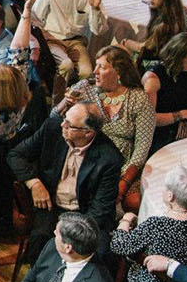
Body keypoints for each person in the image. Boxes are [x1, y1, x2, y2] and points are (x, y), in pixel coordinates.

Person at [8, 106, 123, 266]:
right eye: (64, 119)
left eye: (69, 125)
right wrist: (33, 182)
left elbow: (100, 209)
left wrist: (72, 232)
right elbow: (16, 155)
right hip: (52, 206)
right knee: (39, 240)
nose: (62, 125)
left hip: (85, 214)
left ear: (88, 132)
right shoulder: (52, 128)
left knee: (100, 254)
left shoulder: (110, 158)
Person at [59, 45, 154, 209]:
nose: (94, 71)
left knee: (134, 202)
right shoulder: (85, 88)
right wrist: (64, 104)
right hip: (88, 159)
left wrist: (123, 185)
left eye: (101, 67)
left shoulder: (139, 99)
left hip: (123, 165)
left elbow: (141, 149)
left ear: (118, 72)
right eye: (95, 65)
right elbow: (54, 118)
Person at [27, 0, 104, 80]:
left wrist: (96, 9)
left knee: (87, 72)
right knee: (66, 65)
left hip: (76, 42)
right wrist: (42, 41)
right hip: (53, 39)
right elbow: (35, 19)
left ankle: (79, 98)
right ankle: (61, 98)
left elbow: (97, 31)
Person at [118, 0, 187, 64]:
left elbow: (142, 48)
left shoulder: (165, 25)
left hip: (157, 62)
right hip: (164, 55)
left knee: (116, 50)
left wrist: (125, 42)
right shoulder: (181, 10)